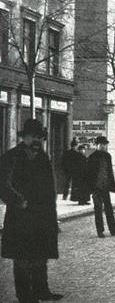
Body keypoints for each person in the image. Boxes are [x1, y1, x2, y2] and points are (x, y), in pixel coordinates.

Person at [0, 119, 63, 302]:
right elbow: (3, 185)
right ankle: (25, 296)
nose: (37, 140)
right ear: (24, 136)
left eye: (40, 137)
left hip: (42, 215)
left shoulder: (43, 157)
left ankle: (42, 291)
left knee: (40, 255)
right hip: (21, 216)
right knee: (22, 258)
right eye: (33, 137)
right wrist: (19, 201)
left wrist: (53, 213)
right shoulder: (12, 156)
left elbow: (50, 188)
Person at [86, 136, 115, 238]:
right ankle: (100, 231)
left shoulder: (108, 156)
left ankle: (113, 230)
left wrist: (112, 185)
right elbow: (88, 174)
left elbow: (110, 172)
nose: (104, 146)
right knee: (98, 209)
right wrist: (90, 188)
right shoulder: (92, 157)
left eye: (105, 144)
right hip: (96, 187)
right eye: (102, 144)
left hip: (105, 186)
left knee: (109, 209)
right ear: (97, 145)